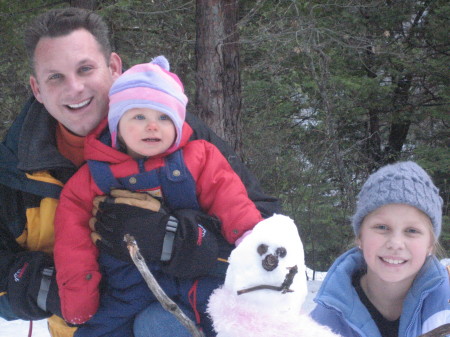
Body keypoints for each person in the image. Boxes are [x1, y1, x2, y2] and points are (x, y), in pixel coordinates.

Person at [0, 7, 280, 337]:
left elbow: (268, 236)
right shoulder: (13, 170)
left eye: (85, 68)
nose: (74, 88)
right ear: (36, 88)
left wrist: (179, 240)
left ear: (114, 67)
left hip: (183, 312)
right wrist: (38, 283)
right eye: (55, 77)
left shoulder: (176, 137)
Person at [53, 55, 264, 337]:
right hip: (128, 284)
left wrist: (252, 239)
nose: (152, 126)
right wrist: (79, 295)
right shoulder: (91, 178)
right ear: (117, 125)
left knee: (234, 322)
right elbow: (73, 243)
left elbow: (230, 199)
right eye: (138, 116)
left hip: (196, 278)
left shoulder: (200, 158)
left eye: (164, 117)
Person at [310, 161, 449, 337]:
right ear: (360, 236)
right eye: (382, 227)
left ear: (430, 244)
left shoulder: (445, 311)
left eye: (412, 231)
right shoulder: (323, 322)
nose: (396, 243)